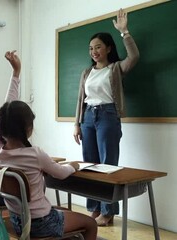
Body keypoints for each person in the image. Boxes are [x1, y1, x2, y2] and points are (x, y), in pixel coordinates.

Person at [0, 51, 97, 239]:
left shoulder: (0, 148)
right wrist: (72, 166)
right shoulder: (35, 154)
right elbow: (60, 173)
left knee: (60, 210)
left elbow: (8, 107)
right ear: (28, 128)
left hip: (17, 221)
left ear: (2, 126)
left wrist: (16, 73)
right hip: (40, 223)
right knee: (90, 224)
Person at [73, 9, 140, 226]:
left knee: (107, 165)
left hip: (108, 115)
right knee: (89, 165)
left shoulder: (115, 69)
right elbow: (80, 100)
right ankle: (93, 207)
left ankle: (108, 211)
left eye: (98, 47)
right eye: (91, 48)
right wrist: (77, 124)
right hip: (88, 118)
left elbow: (134, 57)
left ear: (108, 48)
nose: (94, 51)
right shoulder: (86, 72)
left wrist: (124, 32)